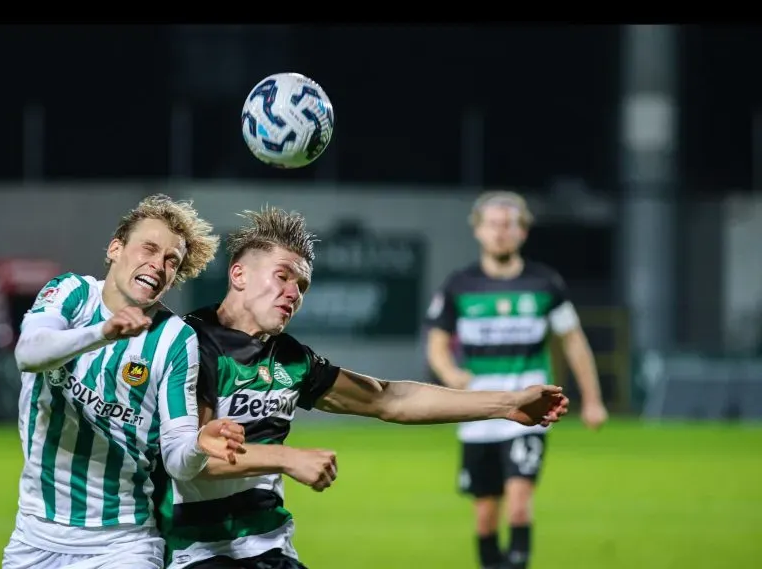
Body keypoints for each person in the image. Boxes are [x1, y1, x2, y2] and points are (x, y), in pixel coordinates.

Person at [154, 206, 570, 569]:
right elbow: (193, 458)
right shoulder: (189, 343)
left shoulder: (291, 359)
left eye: (302, 286)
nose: (292, 294)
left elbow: (388, 399)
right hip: (196, 549)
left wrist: (507, 404)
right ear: (239, 274)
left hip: (267, 543)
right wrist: (286, 458)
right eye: (282, 277)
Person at [3, 194, 248, 569]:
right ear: (116, 248)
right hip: (34, 537)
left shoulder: (174, 339)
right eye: (148, 248)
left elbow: (179, 460)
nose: (158, 265)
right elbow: (29, 353)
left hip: (122, 543)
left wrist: (199, 444)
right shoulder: (72, 294)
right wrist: (103, 332)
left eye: (171, 260)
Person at [426, 191, 608, 569]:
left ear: (523, 232)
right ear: (478, 230)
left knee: (521, 502)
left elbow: (573, 341)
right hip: (478, 412)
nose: (500, 232)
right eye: (492, 224)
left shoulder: (545, 284)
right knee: (485, 515)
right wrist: (449, 373)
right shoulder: (459, 285)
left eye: (509, 224)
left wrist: (593, 400)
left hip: (529, 409)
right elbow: (437, 345)